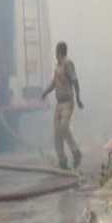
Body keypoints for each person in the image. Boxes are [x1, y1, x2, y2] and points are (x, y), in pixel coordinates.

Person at [41, 41, 84, 171]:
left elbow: (75, 81)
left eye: (56, 52)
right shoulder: (57, 66)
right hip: (59, 104)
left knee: (64, 127)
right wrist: (45, 92)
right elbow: (54, 83)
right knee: (57, 133)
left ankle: (76, 152)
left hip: (67, 103)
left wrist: (78, 98)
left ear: (59, 52)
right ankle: (63, 160)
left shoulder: (68, 64)